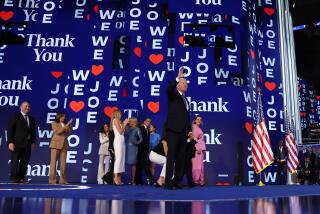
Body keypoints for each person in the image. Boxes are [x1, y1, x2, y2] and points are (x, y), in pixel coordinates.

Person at [164, 66, 191, 189]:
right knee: (171, 157)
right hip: (173, 130)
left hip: (183, 133)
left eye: (186, 83)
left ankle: (177, 181)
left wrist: (189, 130)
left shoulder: (186, 100)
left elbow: (187, 117)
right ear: (178, 85)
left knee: (181, 158)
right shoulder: (173, 94)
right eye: (183, 83)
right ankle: (168, 182)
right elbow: (168, 89)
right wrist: (178, 77)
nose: (186, 85)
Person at [7, 101, 36, 183]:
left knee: (24, 162)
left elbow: (33, 131)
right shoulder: (15, 117)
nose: (28, 108)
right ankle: (14, 178)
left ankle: (21, 178)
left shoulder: (31, 119)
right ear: (21, 107)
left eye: (29, 106)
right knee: (15, 162)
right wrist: (10, 142)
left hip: (27, 144)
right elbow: (10, 130)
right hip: (16, 144)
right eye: (26, 106)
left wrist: (33, 142)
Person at [49, 112, 73, 184]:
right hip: (55, 145)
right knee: (53, 163)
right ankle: (52, 180)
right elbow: (58, 132)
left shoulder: (65, 124)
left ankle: (62, 180)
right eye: (62, 117)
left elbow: (69, 132)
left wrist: (69, 125)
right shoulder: (54, 123)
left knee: (63, 164)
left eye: (64, 117)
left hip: (64, 145)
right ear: (58, 117)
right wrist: (67, 125)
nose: (63, 118)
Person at [110, 109, 128, 185]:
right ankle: (115, 177)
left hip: (122, 141)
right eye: (120, 114)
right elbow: (120, 131)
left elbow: (123, 132)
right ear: (117, 114)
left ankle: (119, 177)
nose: (121, 115)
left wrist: (123, 124)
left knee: (122, 159)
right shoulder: (115, 120)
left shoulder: (118, 121)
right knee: (118, 159)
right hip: (118, 141)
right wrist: (125, 123)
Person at [136, 117, 154, 185]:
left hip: (145, 150)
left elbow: (147, 141)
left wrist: (147, 150)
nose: (148, 123)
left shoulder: (148, 130)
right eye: (147, 121)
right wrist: (141, 148)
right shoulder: (140, 128)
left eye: (149, 121)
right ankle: (151, 179)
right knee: (146, 165)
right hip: (141, 150)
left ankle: (137, 181)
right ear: (144, 121)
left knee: (139, 166)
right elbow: (139, 139)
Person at [125, 117, 143, 185]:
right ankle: (119, 178)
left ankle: (133, 180)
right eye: (129, 121)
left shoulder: (137, 129)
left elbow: (141, 139)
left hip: (134, 148)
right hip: (126, 147)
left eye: (130, 121)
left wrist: (136, 142)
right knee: (122, 162)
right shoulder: (127, 128)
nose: (129, 122)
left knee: (134, 164)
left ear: (134, 122)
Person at [192, 115, 206, 186]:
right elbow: (194, 139)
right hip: (197, 150)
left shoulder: (197, 128)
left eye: (200, 119)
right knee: (197, 166)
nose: (199, 121)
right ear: (195, 120)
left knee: (200, 165)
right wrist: (197, 148)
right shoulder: (194, 128)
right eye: (198, 119)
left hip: (200, 149)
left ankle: (201, 181)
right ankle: (196, 180)